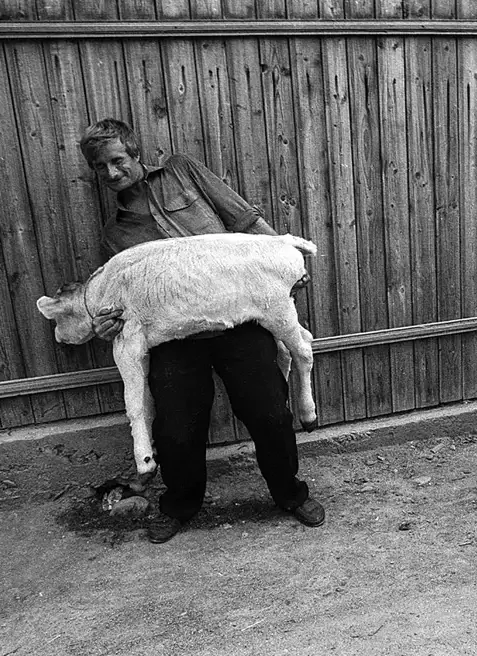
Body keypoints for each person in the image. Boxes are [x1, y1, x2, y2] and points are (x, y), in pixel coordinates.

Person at [78, 118, 324, 543]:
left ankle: (290, 493)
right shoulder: (116, 236)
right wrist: (106, 324)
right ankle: (179, 505)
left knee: (268, 412)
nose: (112, 173)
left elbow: (244, 220)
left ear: (136, 153)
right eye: (101, 168)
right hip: (175, 338)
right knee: (177, 427)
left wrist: (285, 263)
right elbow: (120, 307)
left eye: (118, 161)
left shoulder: (182, 171)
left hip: (238, 320)